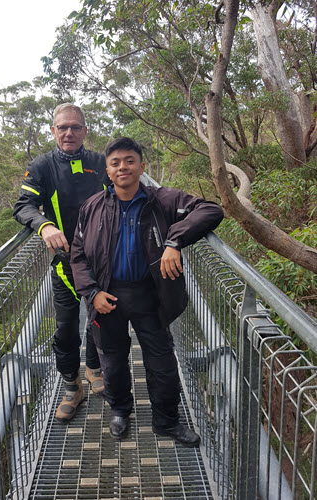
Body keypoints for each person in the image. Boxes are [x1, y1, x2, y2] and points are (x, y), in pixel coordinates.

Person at [70, 137, 224, 446]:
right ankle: (120, 411)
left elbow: (210, 210)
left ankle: (166, 421)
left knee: (162, 362)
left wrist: (174, 241)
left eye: (129, 160)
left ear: (142, 166)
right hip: (106, 297)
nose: (122, 167)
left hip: (150, 295)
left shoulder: (163, 200)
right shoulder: (93, 207)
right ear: (108, 171)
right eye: (115, 163)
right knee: (112, 362)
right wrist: (92, 292)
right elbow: (77, 254)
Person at [13, 103, 110, 423]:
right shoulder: (41, 166)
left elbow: (125, 195)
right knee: (66, 328)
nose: (69, 133)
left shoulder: (100, 163)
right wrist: (44, 225)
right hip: (65, 263)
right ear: (53, 130)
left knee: (99, 318)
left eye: (76, 127)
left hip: (101, 259)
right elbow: (24, 206)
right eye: (62, 127)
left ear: (85, 131)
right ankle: (72, 386)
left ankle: (94, 367)